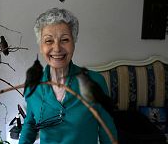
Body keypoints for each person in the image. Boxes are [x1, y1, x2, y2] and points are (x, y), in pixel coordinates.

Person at [19, 8, 117, 144]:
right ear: (41, 46)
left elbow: (108, 131)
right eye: (49, 41)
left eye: (64, 39)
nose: (57, 48)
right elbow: (29, 125)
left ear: (74, 42)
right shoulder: (33, 86)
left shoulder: (95, 82)